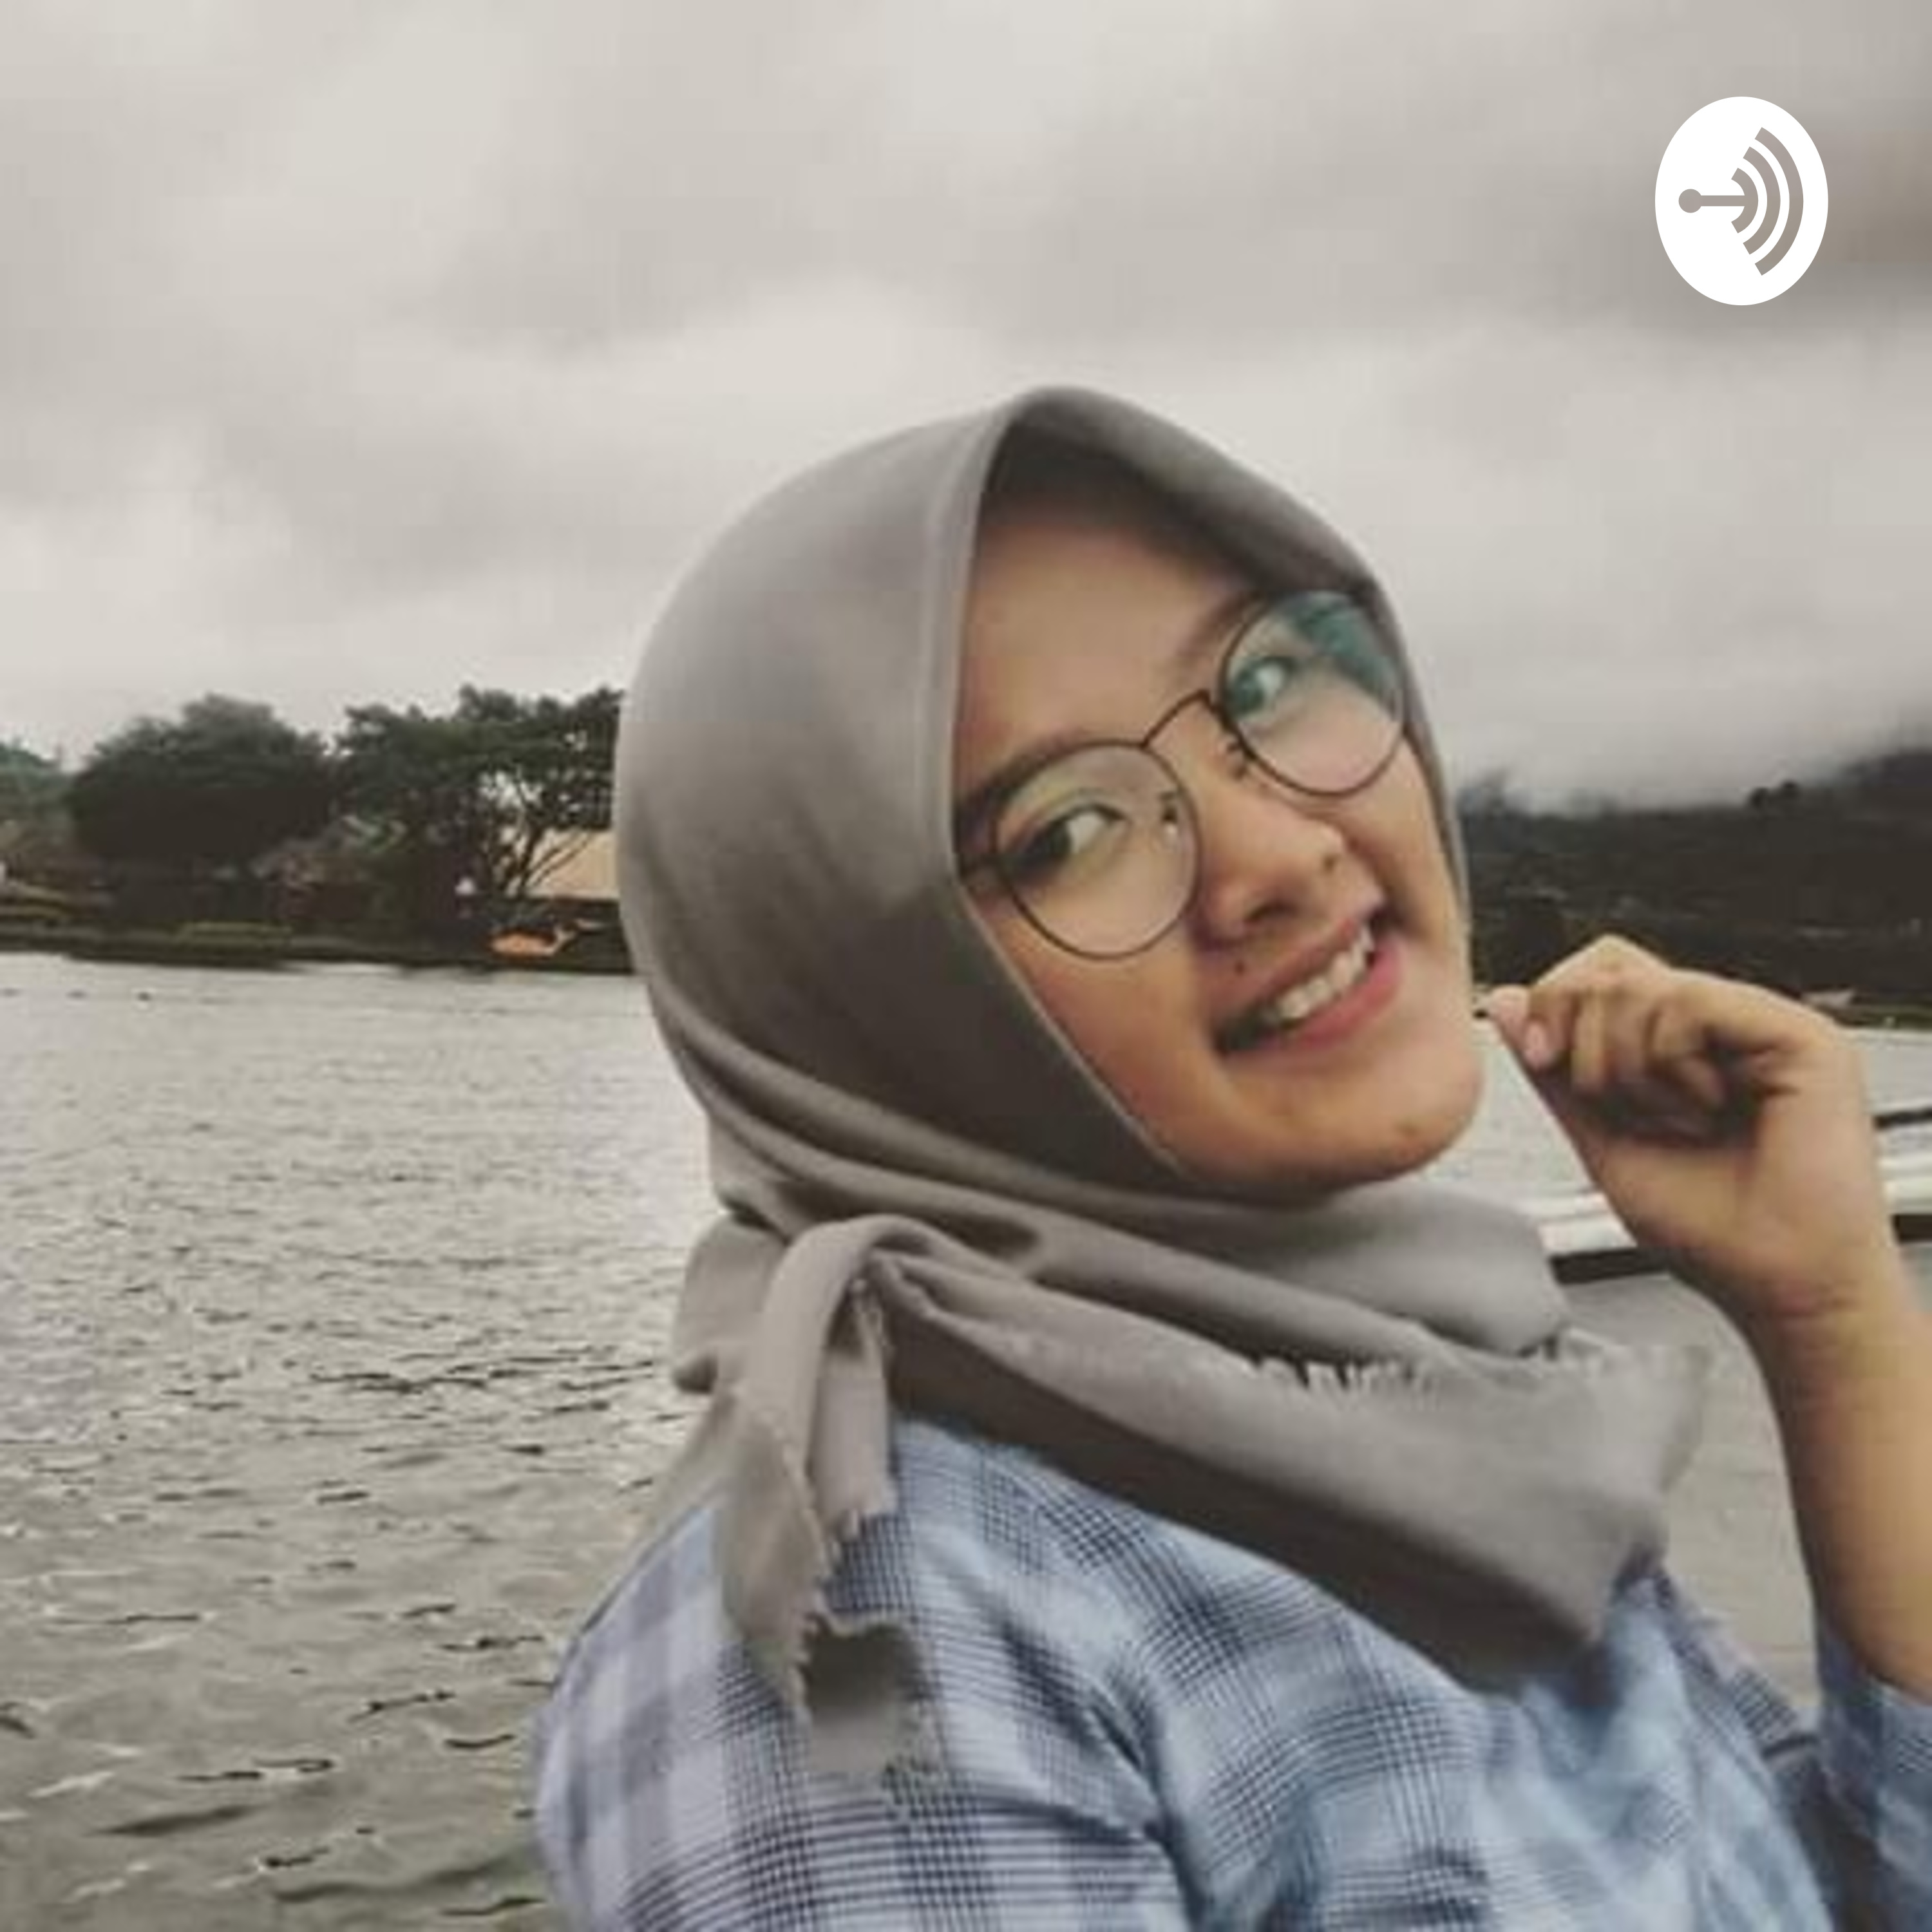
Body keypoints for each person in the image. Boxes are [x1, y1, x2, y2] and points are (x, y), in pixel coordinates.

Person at [532, 389, 1932, 1927]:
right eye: (1065, 834)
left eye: (1267, 682)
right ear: (872, 1012)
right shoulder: (874, 1647)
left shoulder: (1437, 1421)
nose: (1280, 853)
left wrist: (1830, 1313)